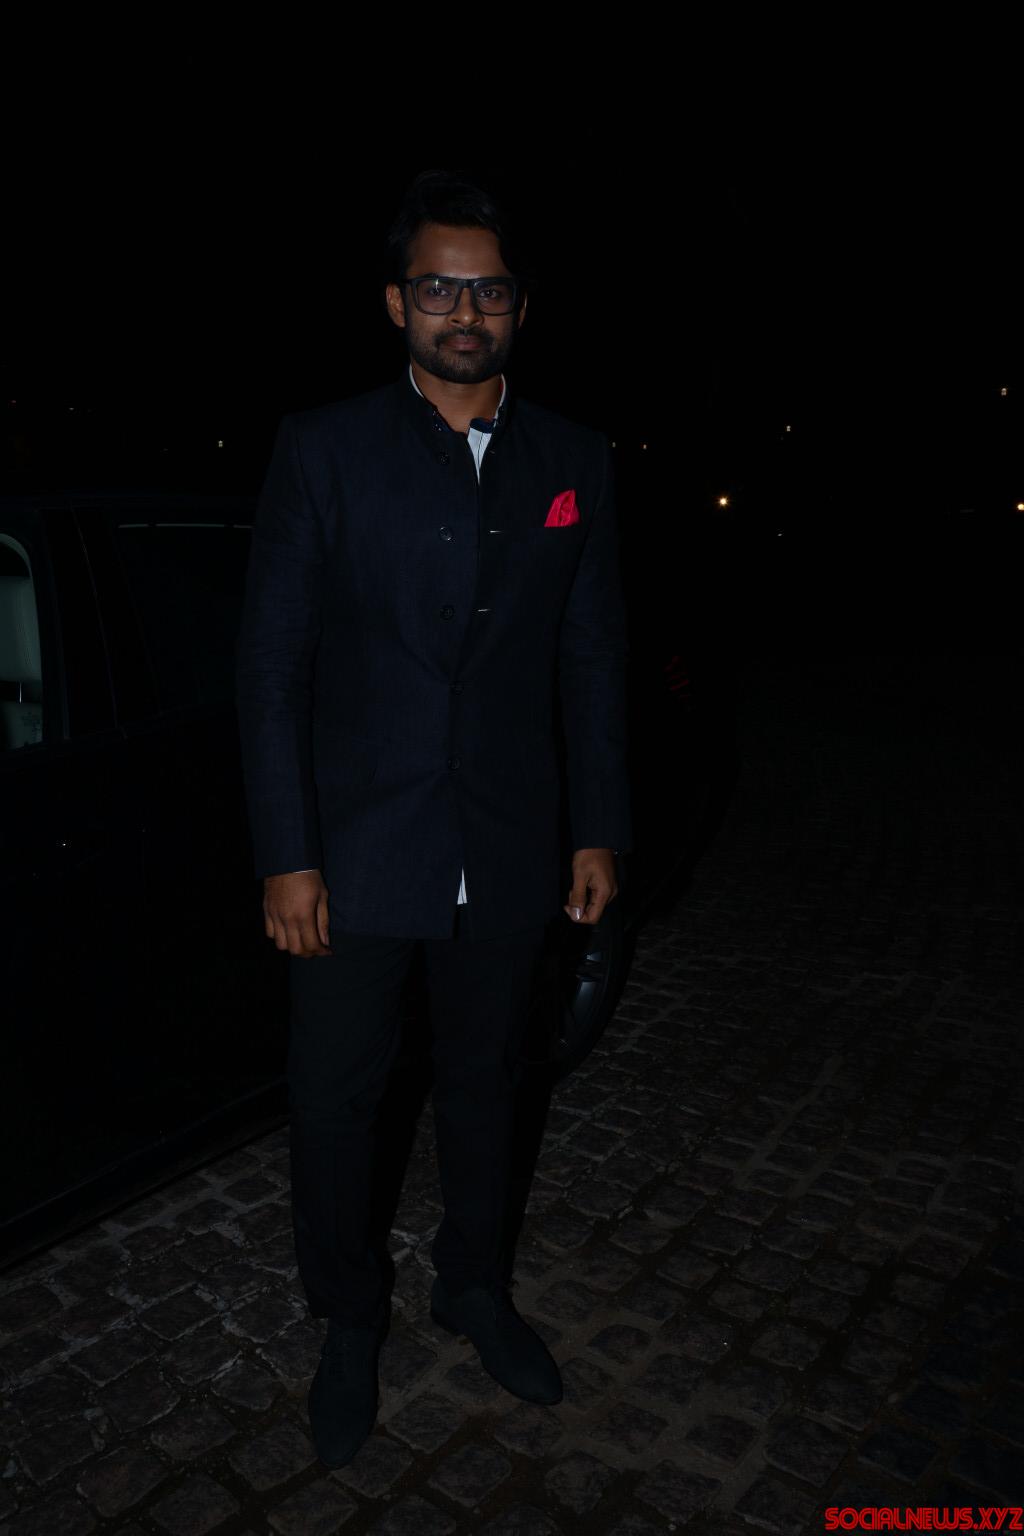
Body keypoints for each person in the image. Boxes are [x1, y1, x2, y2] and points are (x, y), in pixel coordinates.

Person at [233, 167, 632, 1468]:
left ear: (520, 307)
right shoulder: (324, 447)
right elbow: (272, 666)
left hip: (511, 841)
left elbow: (589, 657)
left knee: (488, 1085)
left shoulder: (573, 460)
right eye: (441, 289)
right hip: (353, 852)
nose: (467, 312)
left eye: (490, 290)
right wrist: (288, 852)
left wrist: (597, 826)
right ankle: (350, 1315)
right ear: (397, 302)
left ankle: (473, 1284)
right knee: (335, 1103)